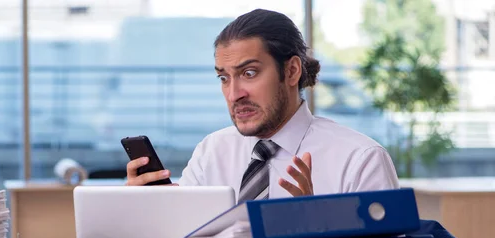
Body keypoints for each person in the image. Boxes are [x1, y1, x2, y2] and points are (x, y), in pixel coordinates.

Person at [126, 8, 399, 201]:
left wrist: (319, 229)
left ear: (291, 71)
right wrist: (148, 212)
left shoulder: (361, 160)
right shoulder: (212, 152)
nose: (234, 94)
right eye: (223, 77)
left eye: (249, 73)